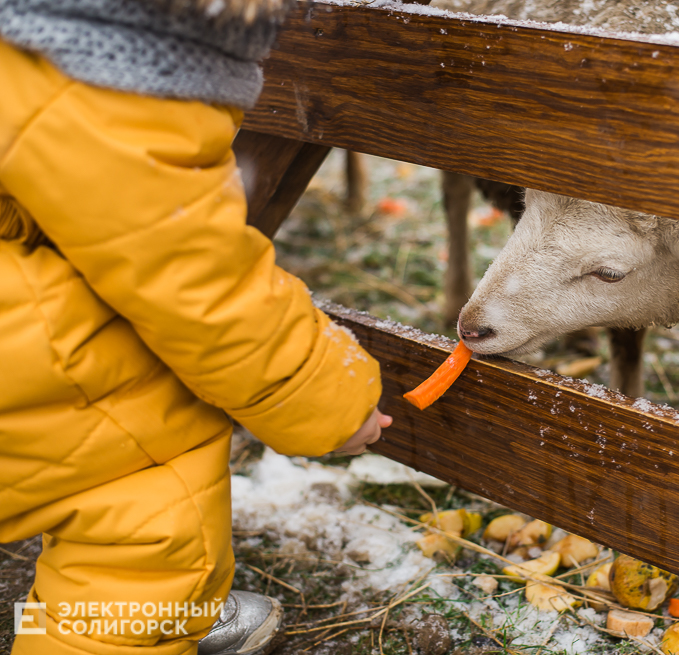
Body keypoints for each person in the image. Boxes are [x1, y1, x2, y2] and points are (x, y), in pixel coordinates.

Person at [0, 0, 392, 653]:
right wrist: (330, 398)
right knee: (146, 480)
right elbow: (194, 279)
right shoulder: (105, 62)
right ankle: (142, 613)